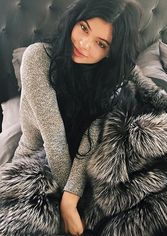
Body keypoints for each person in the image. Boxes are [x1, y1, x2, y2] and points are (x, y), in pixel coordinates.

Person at [13, 0, 142, 235]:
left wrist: (71, 199)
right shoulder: (37, 57)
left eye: (100, 44)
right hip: (37, 158)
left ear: (110, 52)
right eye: (84, 28)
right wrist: (71, 205)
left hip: (84, 159)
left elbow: (92, 134)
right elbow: (54, 139)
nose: (84, 44)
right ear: (75, 19)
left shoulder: (105, 77)